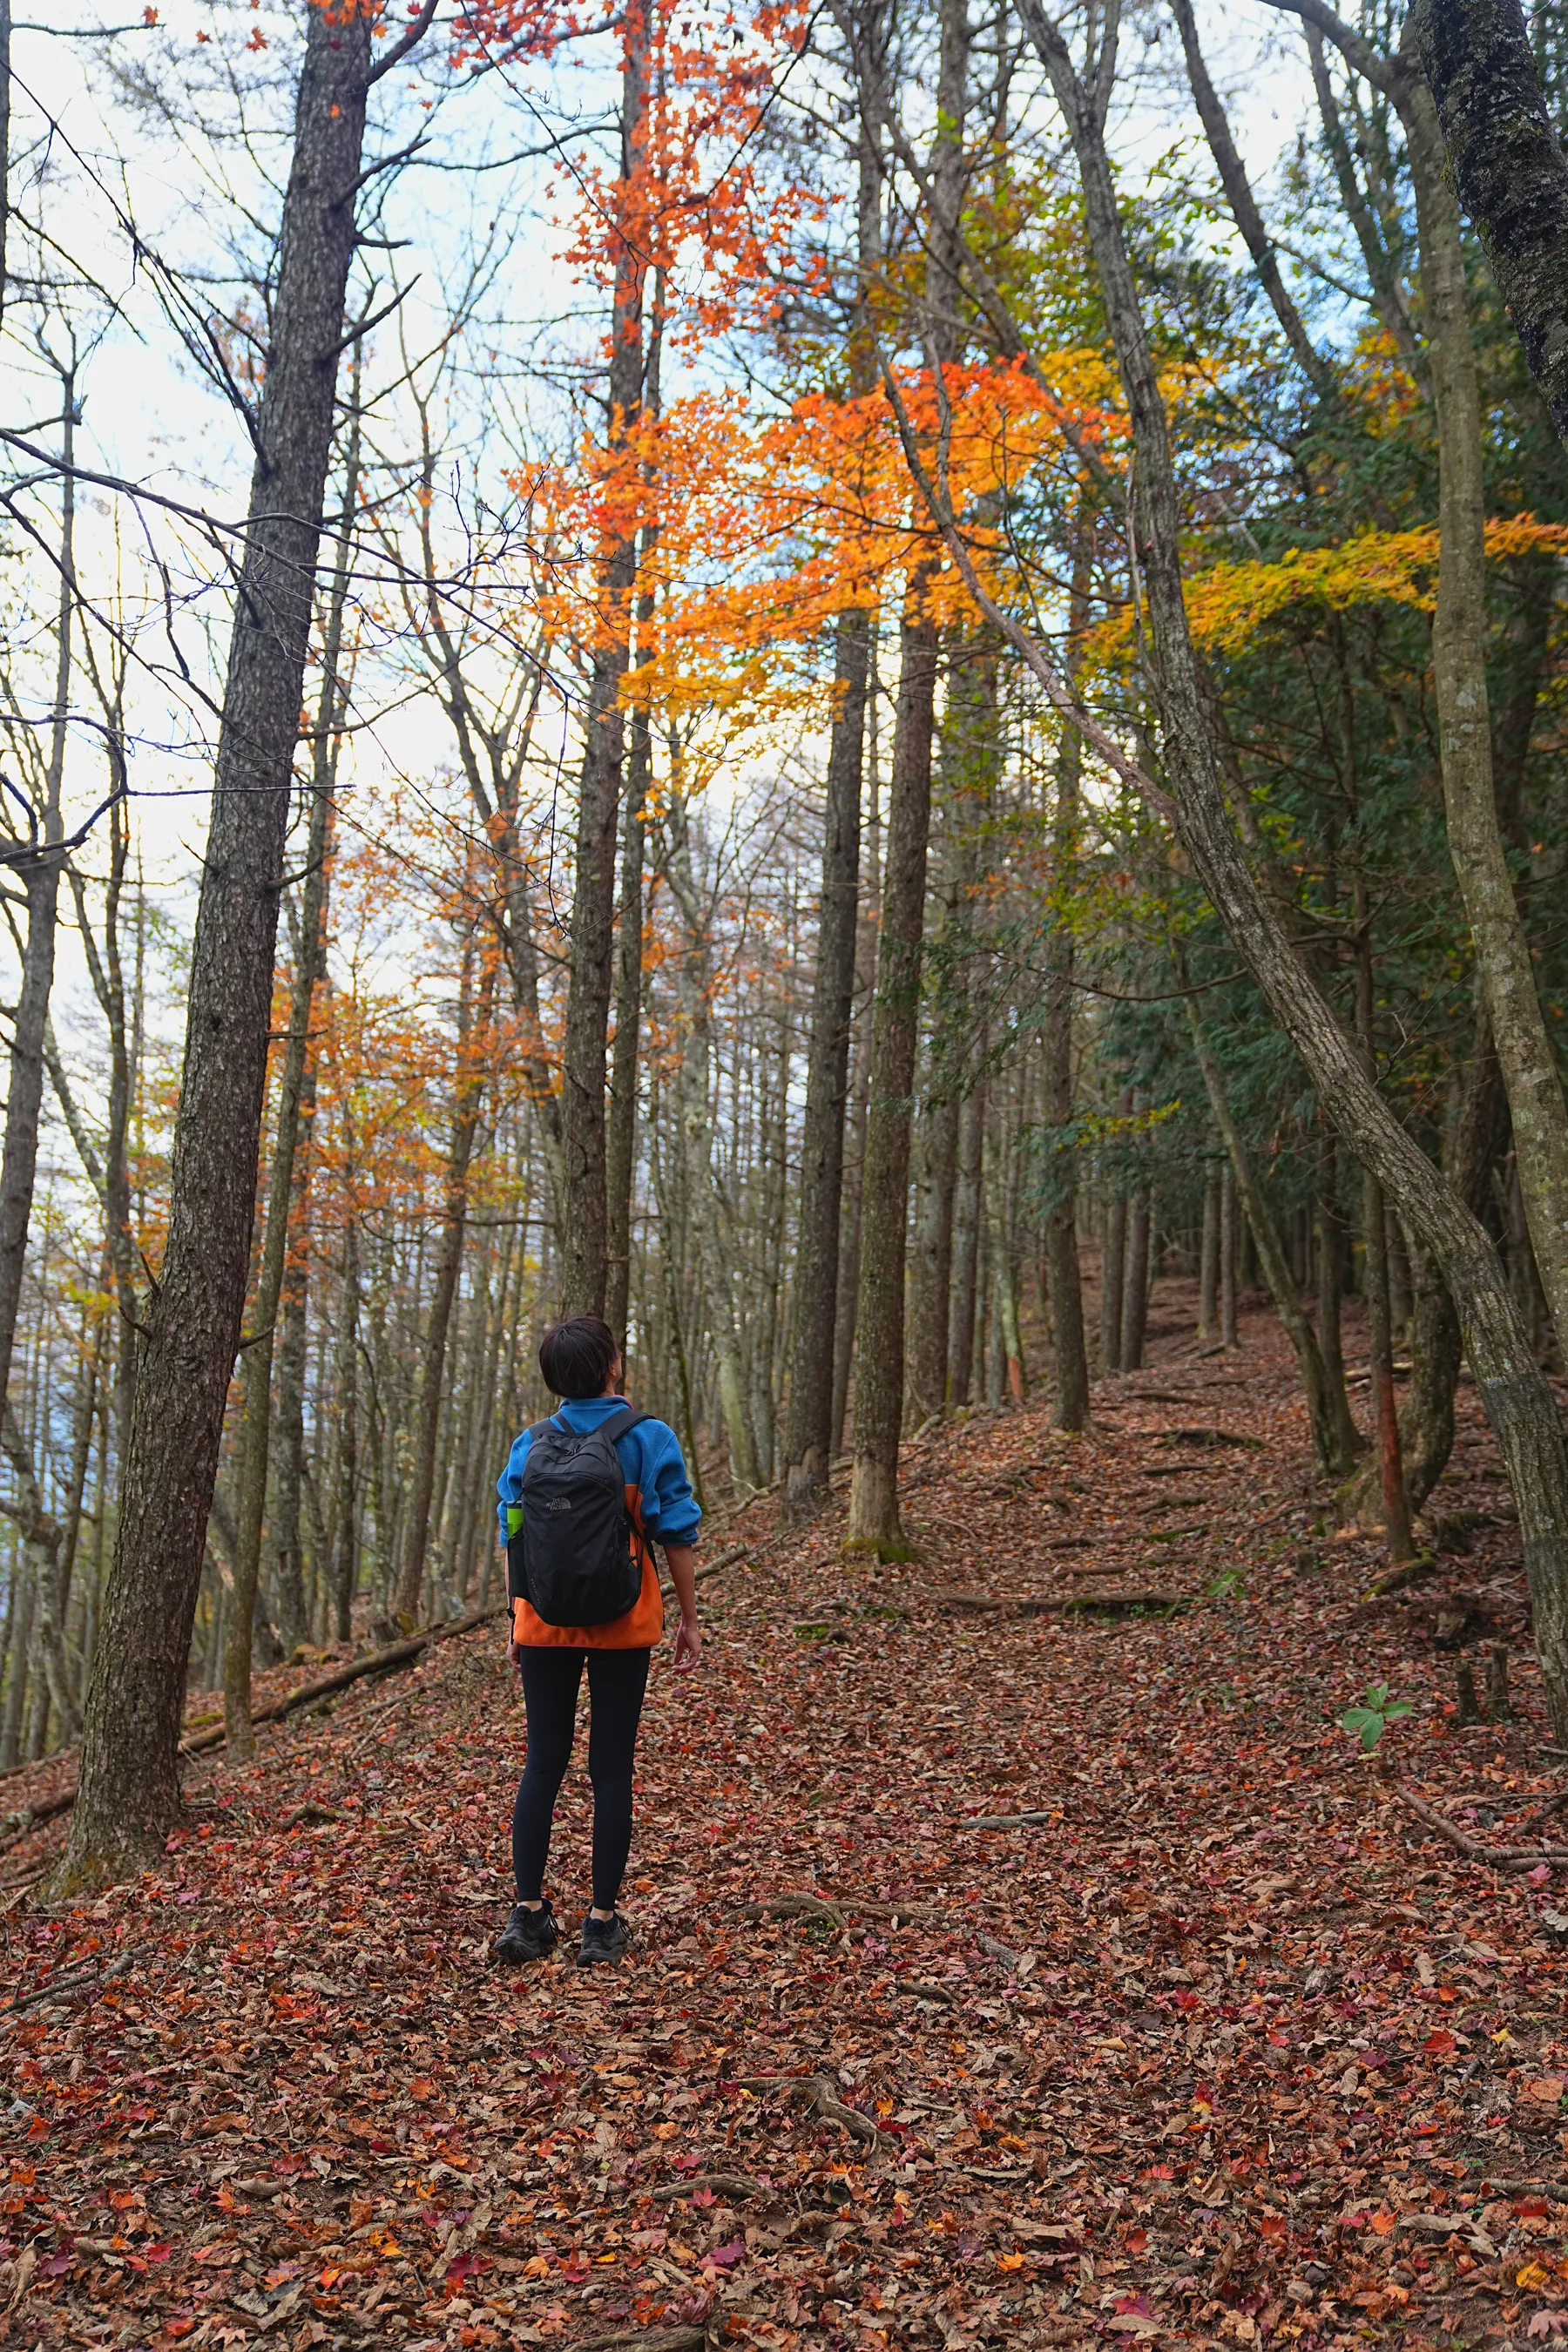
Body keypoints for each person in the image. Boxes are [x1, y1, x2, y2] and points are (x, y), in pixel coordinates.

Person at [493, 1314, 701, 1968]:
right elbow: (678, 1532)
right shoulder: (649, 1438)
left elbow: (515, 1532)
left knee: (542, 1764)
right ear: (613, 1367)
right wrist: (689, 1618)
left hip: (545, 1623)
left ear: (554, 1378)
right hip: (623, 1624)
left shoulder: (530, 1444)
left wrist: (517, 1616)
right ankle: (602, 1924)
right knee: (611, 1769)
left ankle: (528, 1917)